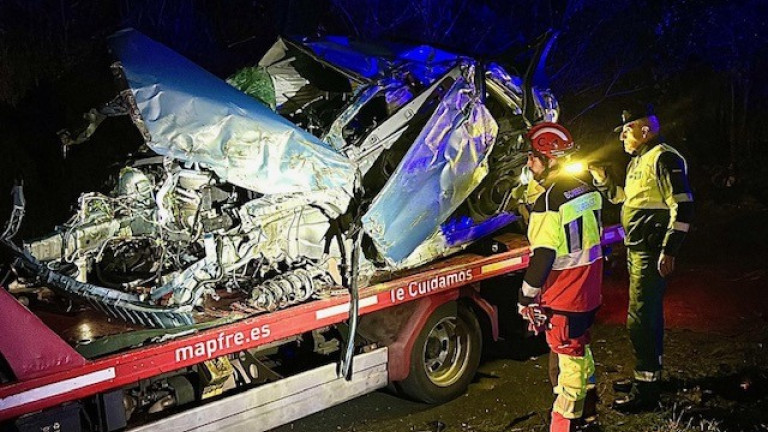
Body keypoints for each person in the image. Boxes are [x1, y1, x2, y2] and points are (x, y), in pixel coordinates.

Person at [589, 104, 694, 412]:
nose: (622, 135)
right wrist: (603, 181)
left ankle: (646, 392)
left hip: (650, 252)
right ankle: (649, 377)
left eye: (627, 129)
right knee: (644, 317)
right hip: (638, 249)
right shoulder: (639, 161)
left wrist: (669, 250)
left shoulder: (665, 158)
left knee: (641, 319)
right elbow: (626, 198)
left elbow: (684, 208)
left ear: (645, 130)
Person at [517, 122, 604, 432]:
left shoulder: (548, 202)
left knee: (569, 373)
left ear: (550, 158)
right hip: (589, 292)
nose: (529, 163)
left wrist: (525, 296)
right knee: (583, 356)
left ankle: (564, 426)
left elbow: (543, 256)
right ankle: (590, 418)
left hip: (564, 297)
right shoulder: (588, 189)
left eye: (533, 157)